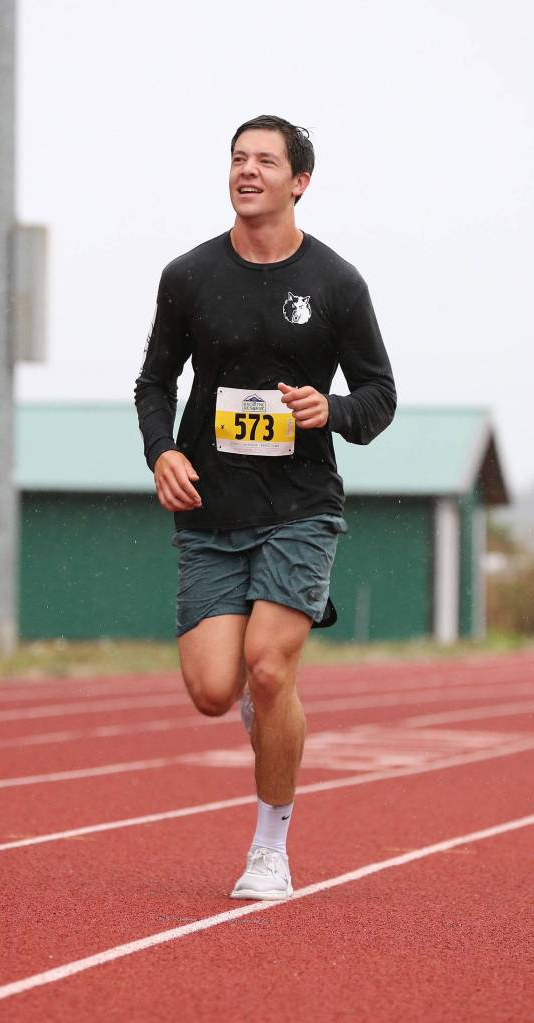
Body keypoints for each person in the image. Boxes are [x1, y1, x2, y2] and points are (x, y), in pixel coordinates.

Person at [134, 114, 396, 901]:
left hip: (300, 504)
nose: (247, 170)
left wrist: (331, 411)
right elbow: (154, 380)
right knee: (216, 690)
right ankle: (261, 703)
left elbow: (379, 396)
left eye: (265, 161)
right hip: (212, 509)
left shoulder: (336, 283)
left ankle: (269, 848)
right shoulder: (188, 275)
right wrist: (162, 451)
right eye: (238, 158)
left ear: (299, 181)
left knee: (268, 666)